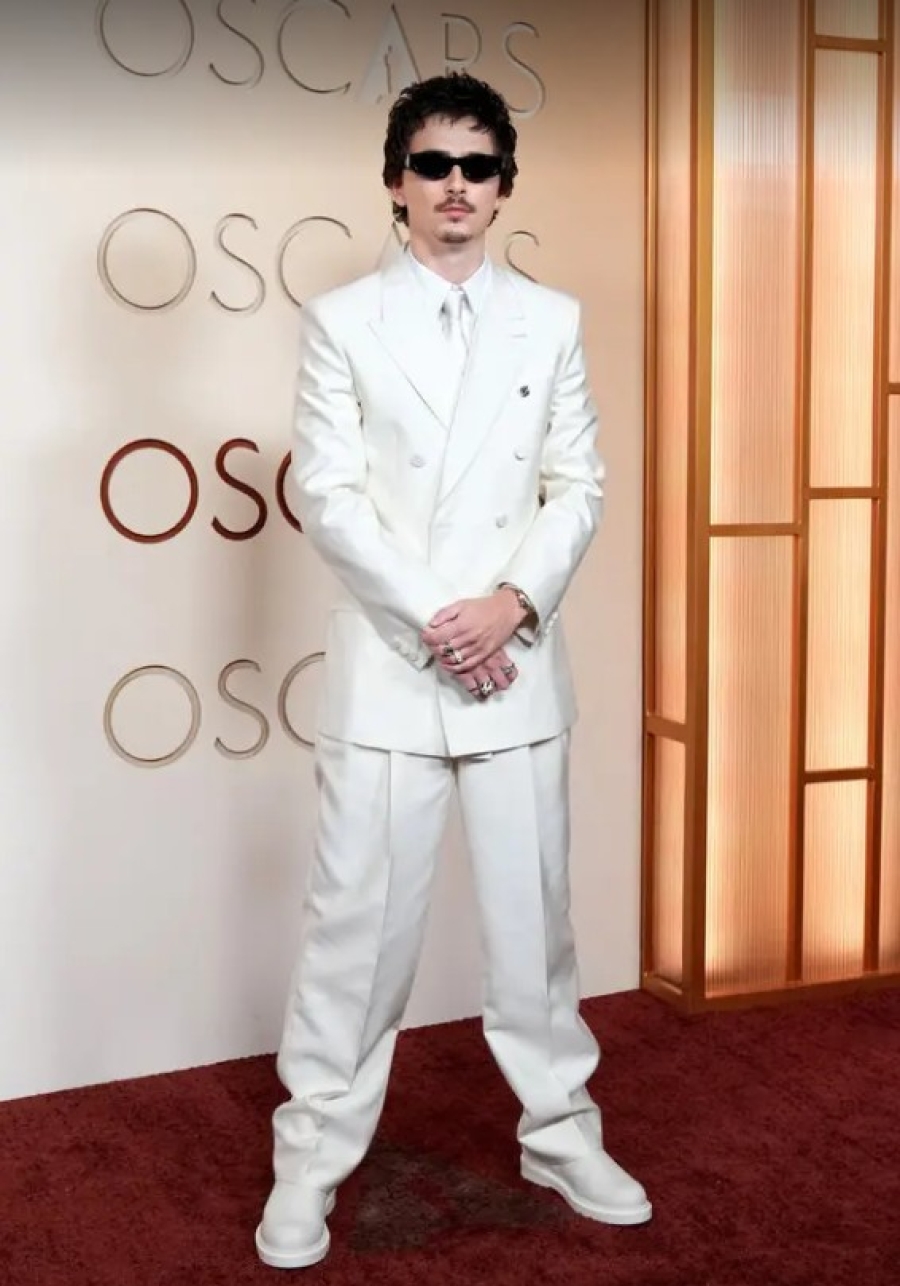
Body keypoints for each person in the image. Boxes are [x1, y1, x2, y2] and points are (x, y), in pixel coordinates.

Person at [255, 71, 651, 1271]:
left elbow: (577, 483)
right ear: (397, 182)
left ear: (504, 185)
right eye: (434, 164)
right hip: (394, 672)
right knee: (355, 936)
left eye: (478, 166)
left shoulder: (554, 319)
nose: (456, 186)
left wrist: (511, 605)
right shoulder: (341, 321)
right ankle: (311, 1157)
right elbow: (330, 494)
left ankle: (561, 1134)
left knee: (536, 934)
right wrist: (444, 621)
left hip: (517, 668)